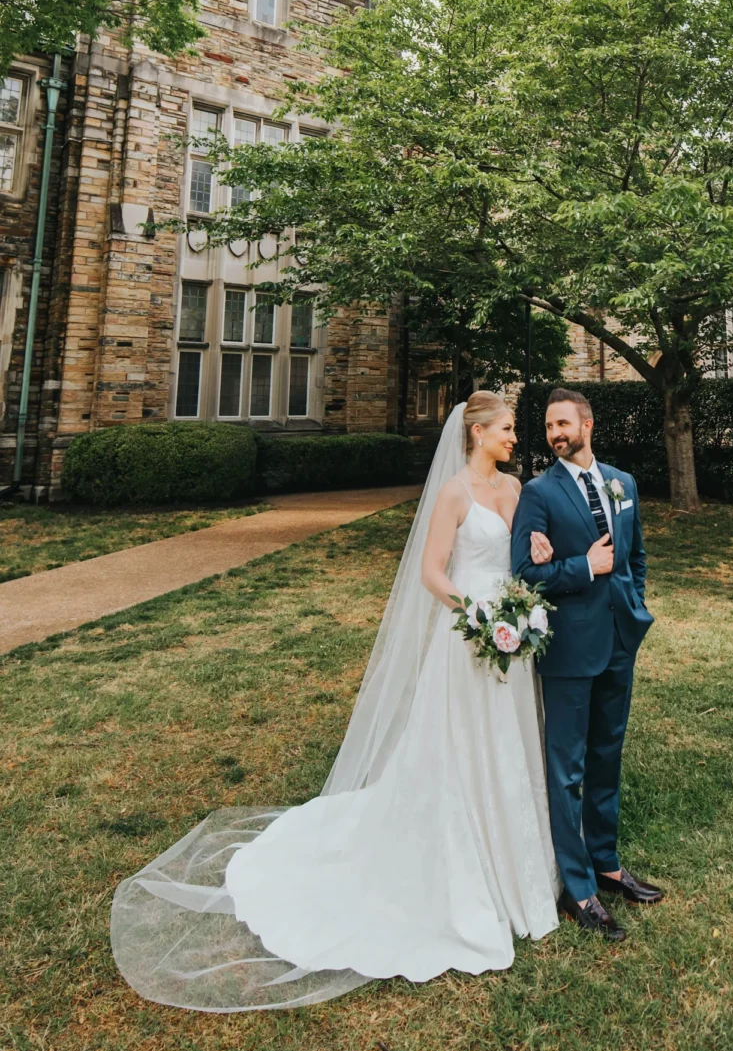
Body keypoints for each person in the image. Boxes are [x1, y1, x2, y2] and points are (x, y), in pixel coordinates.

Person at [110, 393, 558, 1011]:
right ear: (477, 432)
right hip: (469, 637)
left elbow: (529, 556)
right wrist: (473, 615)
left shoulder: (516, 490)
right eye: (507, 428)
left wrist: (533, 573)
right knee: (458, 748)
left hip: (512, 637)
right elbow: (431, 570)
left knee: (511, 745)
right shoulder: (454, 493)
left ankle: (517, 863)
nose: (515, 436)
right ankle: (458, 864)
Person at [511, 387, 663, 941]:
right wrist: (584, 566)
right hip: (570, 650)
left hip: (620, 639)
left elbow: (637, 554)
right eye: (549, 426)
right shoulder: (538, 494)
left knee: (606, 755)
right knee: (568, 768)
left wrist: (633, 600)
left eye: (562, 423)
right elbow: (524, 575)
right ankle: (578, 888)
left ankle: (607, 861)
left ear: (587, 425)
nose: (554, 433)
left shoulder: (623, 483)